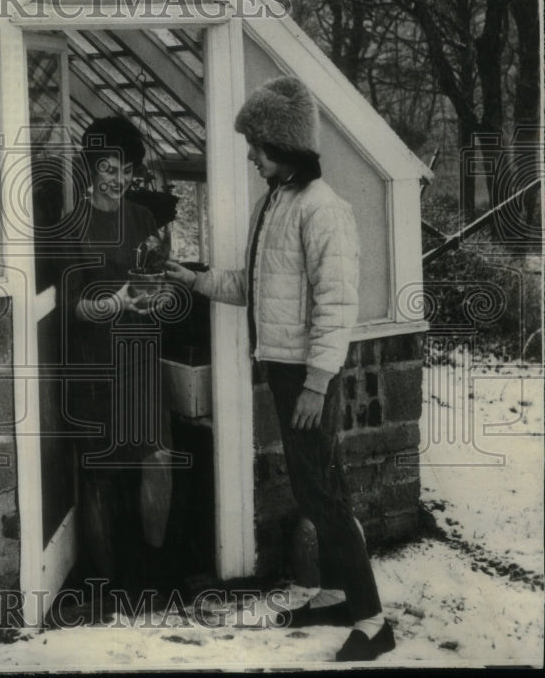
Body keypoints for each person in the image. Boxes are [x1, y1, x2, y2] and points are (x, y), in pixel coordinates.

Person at [165, 77, 395, 662]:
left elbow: (336, 307)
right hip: (286, 369)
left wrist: (317, 383)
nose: (251, 157)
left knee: (322, 492)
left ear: (284, 148)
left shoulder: (325, 211)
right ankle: (342, 593)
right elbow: (252, 285)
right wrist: (195, 282)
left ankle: (373, 620)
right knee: (318, 486)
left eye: (258, 148)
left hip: (307, 376)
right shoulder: (277, 205)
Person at [60, 115, 174, 597]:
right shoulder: (72, 227)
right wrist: (115, 303)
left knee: (158, 459)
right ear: (91, 169)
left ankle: (154, 569)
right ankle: (105, 586)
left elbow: (158, 278)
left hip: (142, 356)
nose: (119, 179)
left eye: (126, 169)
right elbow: (72, 307)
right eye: (109, 168)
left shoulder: (144, 218)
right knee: (102, 476)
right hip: (97, 365)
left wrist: (157, 296)